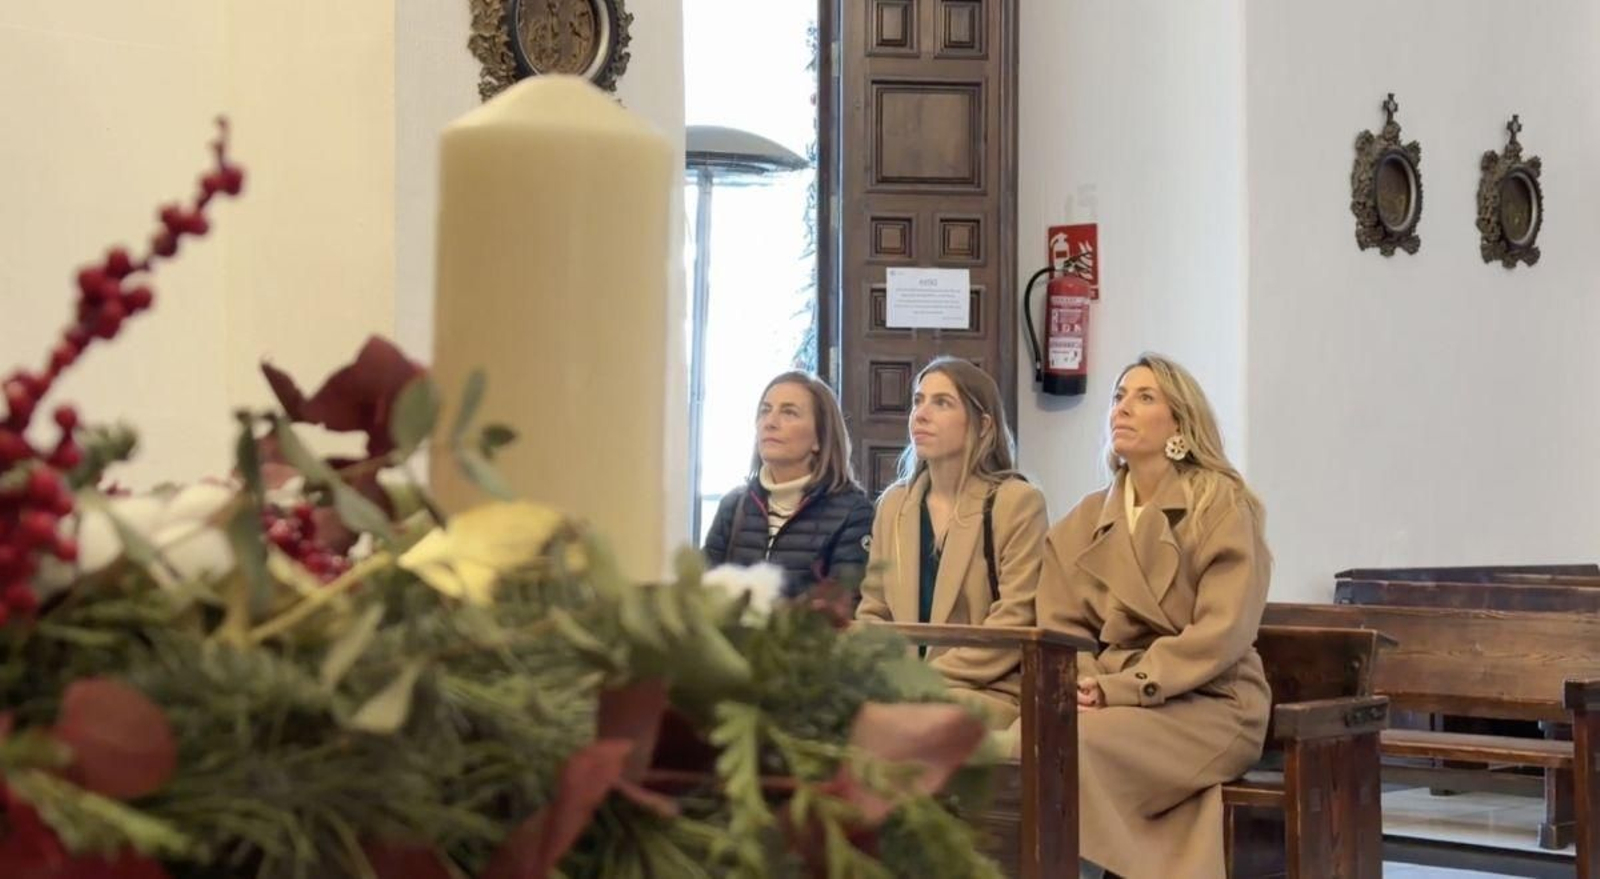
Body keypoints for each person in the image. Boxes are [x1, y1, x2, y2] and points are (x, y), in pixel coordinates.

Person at [1037, 353, 1272, 878]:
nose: (1123, 408)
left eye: (1145, 397)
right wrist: (1085, 682)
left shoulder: (1221, 505)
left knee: (1074, 745)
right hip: (1114, 697)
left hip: (1212, 700)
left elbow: (1222, 631)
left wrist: (1120, 688)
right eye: (1119, 396)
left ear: (1180, 424)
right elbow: (1059, 629)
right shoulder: (1086, 518)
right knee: (1020, 742)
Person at [856, 357, 1048, 728]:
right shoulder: (894, 505)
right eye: (918, 400)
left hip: (983, 688)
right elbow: (873, 612)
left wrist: (926, 683)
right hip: (899, 687)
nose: (920, 414)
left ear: (983, 424)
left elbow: (1015, 619)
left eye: (941, 403)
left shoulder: (1016, 501)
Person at [702, 371, 874, 598]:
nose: (770, 423)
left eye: (789, 412)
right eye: (765, 410)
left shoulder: (853, 512)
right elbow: (701, 599)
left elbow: (843, 606)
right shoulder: (733, 507)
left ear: (819, 438)